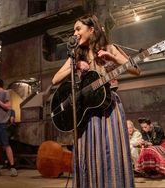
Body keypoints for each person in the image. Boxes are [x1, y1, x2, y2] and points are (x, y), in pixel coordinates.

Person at [52, 14, 140, 188]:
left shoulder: (110, 47)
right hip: (86, 113)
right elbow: (55, 79)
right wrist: (76, 66)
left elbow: (136, 70)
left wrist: (113, 58)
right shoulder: (76, 55)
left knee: (110, 152)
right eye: (74, 30)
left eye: (78, 29)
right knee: (88, 154)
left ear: (91, 30)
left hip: (109, 110)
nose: (75, 33)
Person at [0, 78, 17, 177]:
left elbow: (8, 106)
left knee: (6, 145)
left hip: (2, 123)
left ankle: (13, 167)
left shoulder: (5, 93)